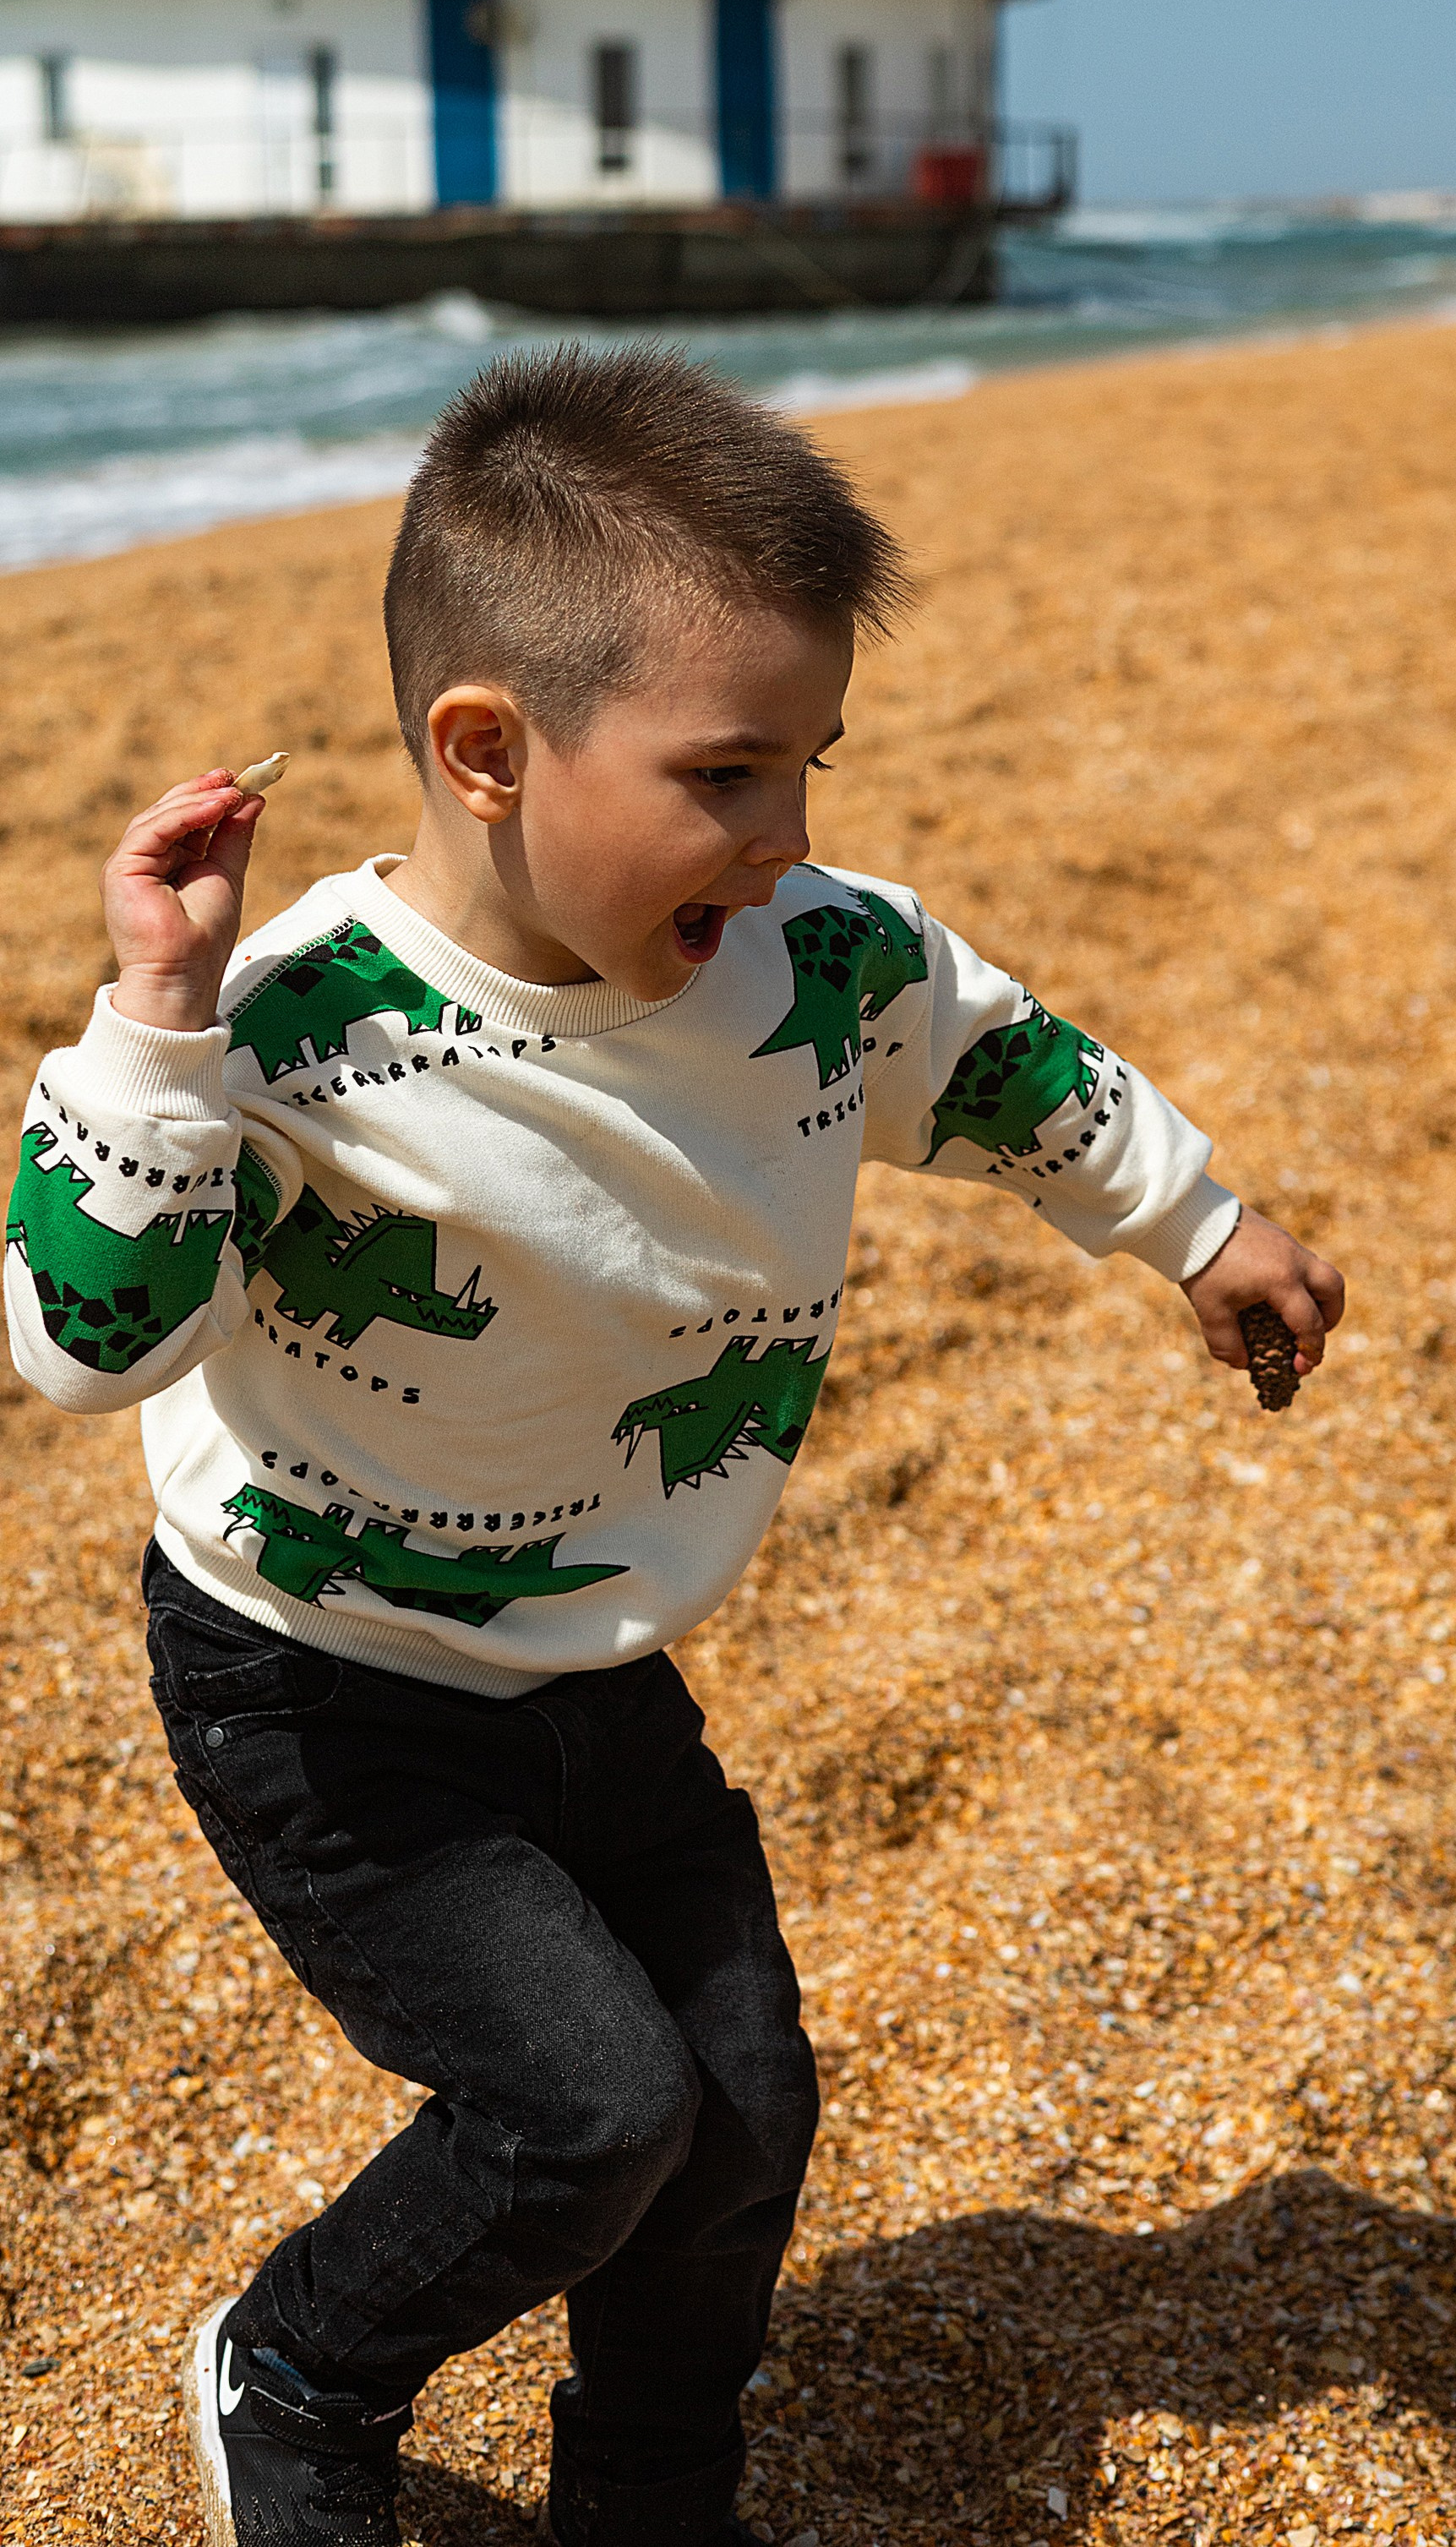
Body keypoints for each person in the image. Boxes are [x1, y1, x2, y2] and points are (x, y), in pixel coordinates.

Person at [5, 345, 1344, 2547]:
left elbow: (1004, 1070)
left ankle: (648, 2489)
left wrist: (1202, 1226)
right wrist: (152, 1023)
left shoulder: (813, 960)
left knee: (739, 2108)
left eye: (813, 759)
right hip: (326, 1684)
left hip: (596, 1660)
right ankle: (297, 2364)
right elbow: (80, 1337)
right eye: (728, 771)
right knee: (586, 2106)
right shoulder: (301, 1027)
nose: (790, 831)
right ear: (489, 751)